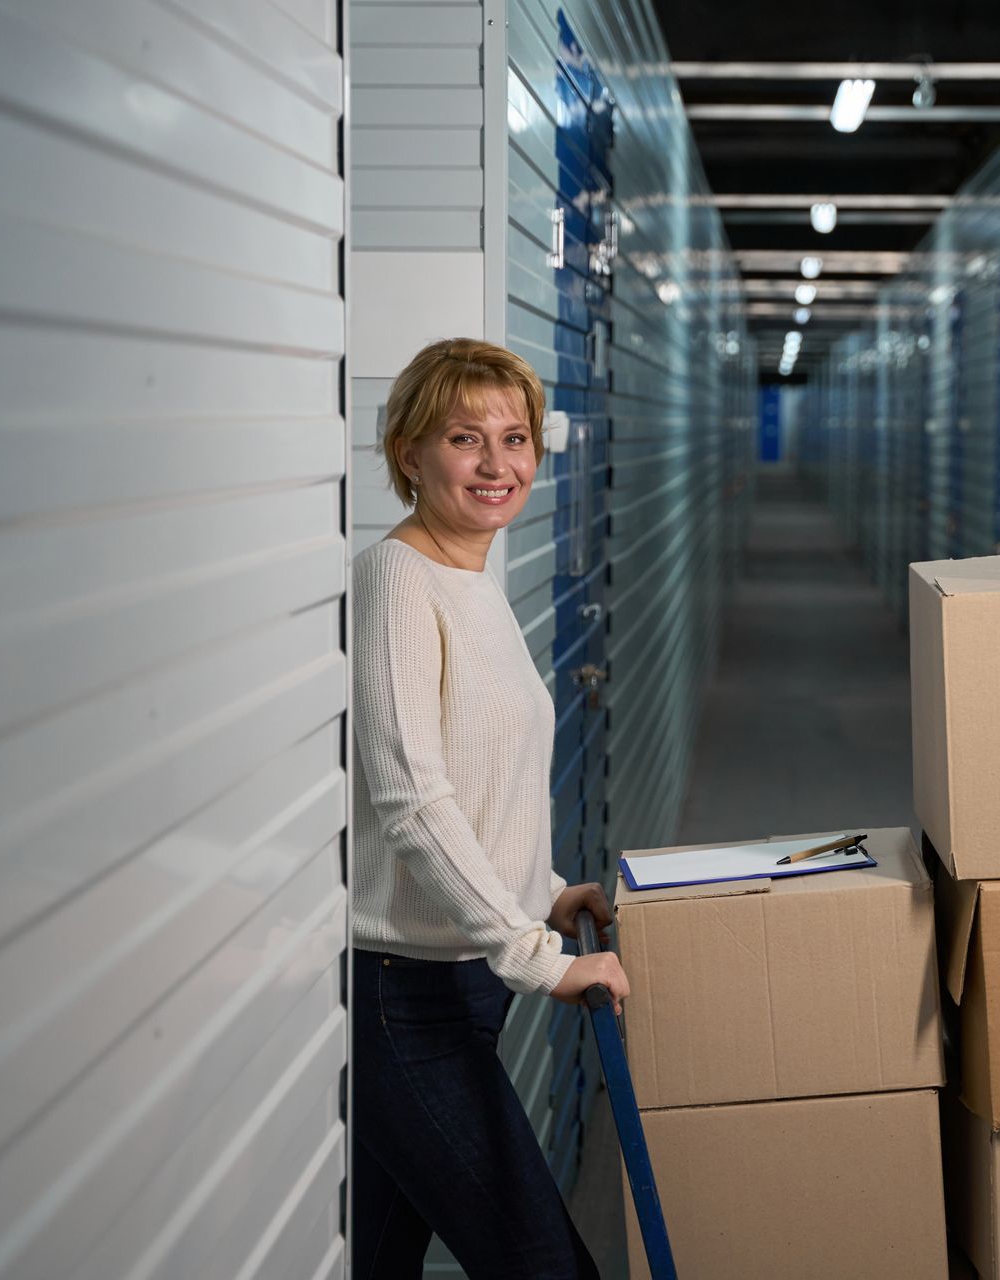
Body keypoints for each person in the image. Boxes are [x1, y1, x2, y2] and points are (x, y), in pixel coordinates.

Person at [350, 338, 630, 1279]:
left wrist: (543, 890)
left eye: (516, 438)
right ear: (408, 453)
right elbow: (410, 796)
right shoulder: (397, 579)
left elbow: (479, 784)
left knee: (376, 1261)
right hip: (406, 997)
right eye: (465, 438)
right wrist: (536, 957)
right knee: (547, 1265)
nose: (497, 463)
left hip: (457, 982)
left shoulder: (474, 580)